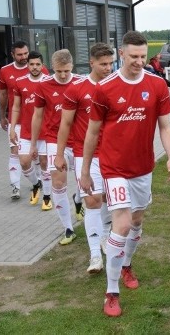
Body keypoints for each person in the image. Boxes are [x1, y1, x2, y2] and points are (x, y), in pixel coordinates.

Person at [79, 31, 170, 318]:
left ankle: (125, 265)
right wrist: (85, 171)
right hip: (114, 168)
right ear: (121, 53)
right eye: (133, 56)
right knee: (120, 225)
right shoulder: (104, 88)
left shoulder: (156, 85)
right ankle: (111, 292)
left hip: (142, 167)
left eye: (143, 56)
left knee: (136, 221)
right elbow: (92, 132)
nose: (139, 61)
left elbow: (165, 126)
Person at [54, 43, 114, 274]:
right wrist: (59, 154)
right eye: (103, 64)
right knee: (92, 201)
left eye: (110, 64)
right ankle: (95, 256)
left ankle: (106, 237)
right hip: (85, 155)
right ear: (91, 63)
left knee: (109, 201)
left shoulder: (116, 87)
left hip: (113, 155)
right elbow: (66, 124)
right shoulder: (76, 89)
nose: (108, 68)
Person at [30, 49, 82, 243]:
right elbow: (37, 116)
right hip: (54, 141)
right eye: (59, 71)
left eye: (66, 71)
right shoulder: (43, 85)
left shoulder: (80, 82)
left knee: (85, 184)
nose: (62, 75)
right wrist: (34, 143)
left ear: (72, 67)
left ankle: (78, 200)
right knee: (58, 184)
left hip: (78, 141)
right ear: (52, 67)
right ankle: (68, 228)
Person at [0, 40, 47, 199]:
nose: (24, 57)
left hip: (38, 121)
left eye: (26, 53)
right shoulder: (5, 71)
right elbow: (3, 95)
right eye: (20, 54)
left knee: (38, 155)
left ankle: (39, 182)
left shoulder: (40, 68)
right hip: (17, 120)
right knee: (15, 152)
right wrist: (3, 115)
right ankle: (15, 187)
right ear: (13, 55)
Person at [8, 51, 48, 206]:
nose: (35, 67)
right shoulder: (20, 82)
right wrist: (12, 128)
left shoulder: (49, 81)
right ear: (28, 65)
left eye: (38, 64)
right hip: (25, 131)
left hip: (46, 131)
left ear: (42, 65)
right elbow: (16, 107)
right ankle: (36, 183)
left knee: (44, 163)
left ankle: (47, 196)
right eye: (32, 64)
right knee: (24, 162)